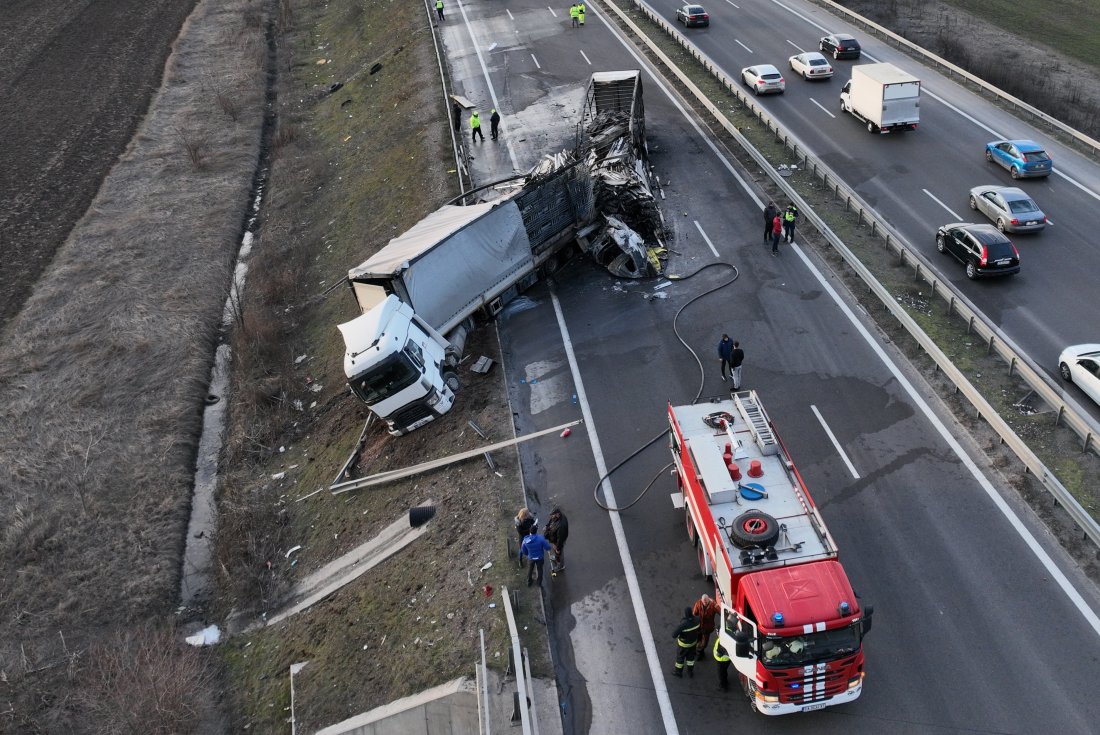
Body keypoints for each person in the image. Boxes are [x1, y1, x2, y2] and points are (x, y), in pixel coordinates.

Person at [671, 607, 701, 677]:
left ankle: (678, 672)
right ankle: (690, 672)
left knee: (680, 659)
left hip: (683, 645)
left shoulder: (683, 624)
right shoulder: (697, 619)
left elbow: (673, 635)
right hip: (693, 644)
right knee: (691, 659)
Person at [544, 508, 569, 572]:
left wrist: (558, 548)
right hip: (554, 539)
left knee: (559, 553)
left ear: (557, 514)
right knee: (555, 550)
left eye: (553, 515)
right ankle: (556, 557)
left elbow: (560, 539)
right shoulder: (556, 517)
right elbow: (551, 521)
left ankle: (561, 566)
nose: (551, 517)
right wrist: (547, 526)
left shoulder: (561, 526)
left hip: (558, 542)